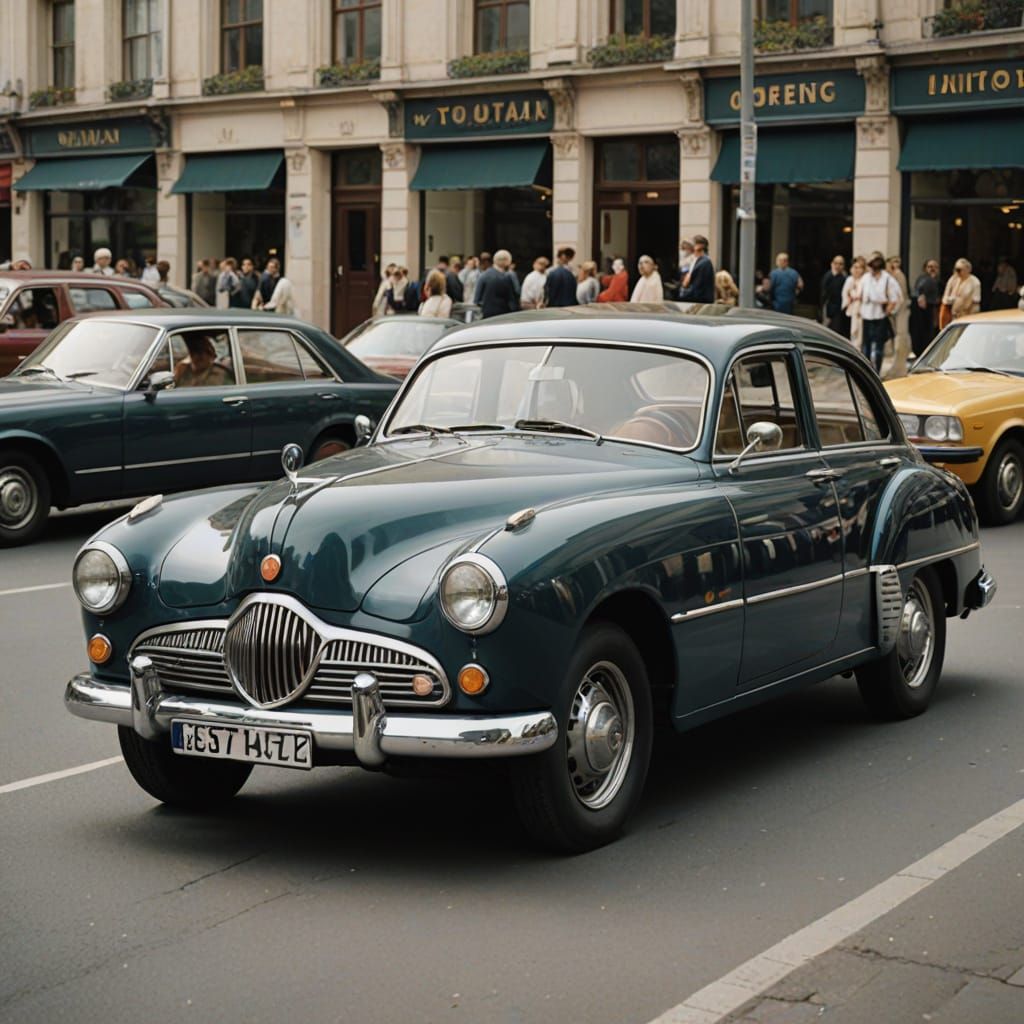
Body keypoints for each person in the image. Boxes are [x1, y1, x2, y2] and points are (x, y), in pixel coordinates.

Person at [859, 252, 902, 374]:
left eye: (874, 267)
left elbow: (895, 299)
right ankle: (866, 371)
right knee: (866, 347)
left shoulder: (888, 279)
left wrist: (886, 310)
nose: (872, 269)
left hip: (880, 317)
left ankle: (876, 371)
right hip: (867, 316)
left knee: (878, 347)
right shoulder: (866, 278)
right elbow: (860, 295)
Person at [474, 249, 519, 318]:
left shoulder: (483, 276)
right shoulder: (509, 276)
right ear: (507, 261)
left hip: (487, 315)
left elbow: (477, 300)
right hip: (504, 316)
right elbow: (514, 296)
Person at [910, 259, 941, 356]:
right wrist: (921, 296)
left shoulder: (938, 281)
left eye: (935, 267)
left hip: (935, 310)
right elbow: (919, 291)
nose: (932, 269)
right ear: (925, 268)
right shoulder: (924, 279)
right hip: (924, 312)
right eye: (929, 267)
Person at [942, 258, 982, 323]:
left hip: (968, 315)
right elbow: (945, 297)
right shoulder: (953, 279)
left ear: (968, 269)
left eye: (959, 270)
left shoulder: (975, 282)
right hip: (954, 315)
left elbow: (976, 301)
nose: (957, 272)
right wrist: (950, 300)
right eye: (956, 269)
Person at [679, 235, 715, 303]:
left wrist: (683, 289)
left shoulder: (704, 263)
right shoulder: (697, 261)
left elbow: (696, 290)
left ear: (699, 246)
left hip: (699, 303)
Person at [820, 255, 849, 337]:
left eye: (840, 264)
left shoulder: (845, 277)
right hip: (829, 308)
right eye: (836, 263)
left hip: (840, 309)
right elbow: (823, 294)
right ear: (832, 264)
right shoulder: (828, 276)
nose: (838, 266)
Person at [842, 257, 866, 351]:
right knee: (851, 333)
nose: (856, 270)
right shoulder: (849, 279)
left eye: (859, 267)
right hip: (850, 309)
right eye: (855, 267)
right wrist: (849, 299)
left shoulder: (865, 280)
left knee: (861, 333)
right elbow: (845, 293)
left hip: (861, 309)